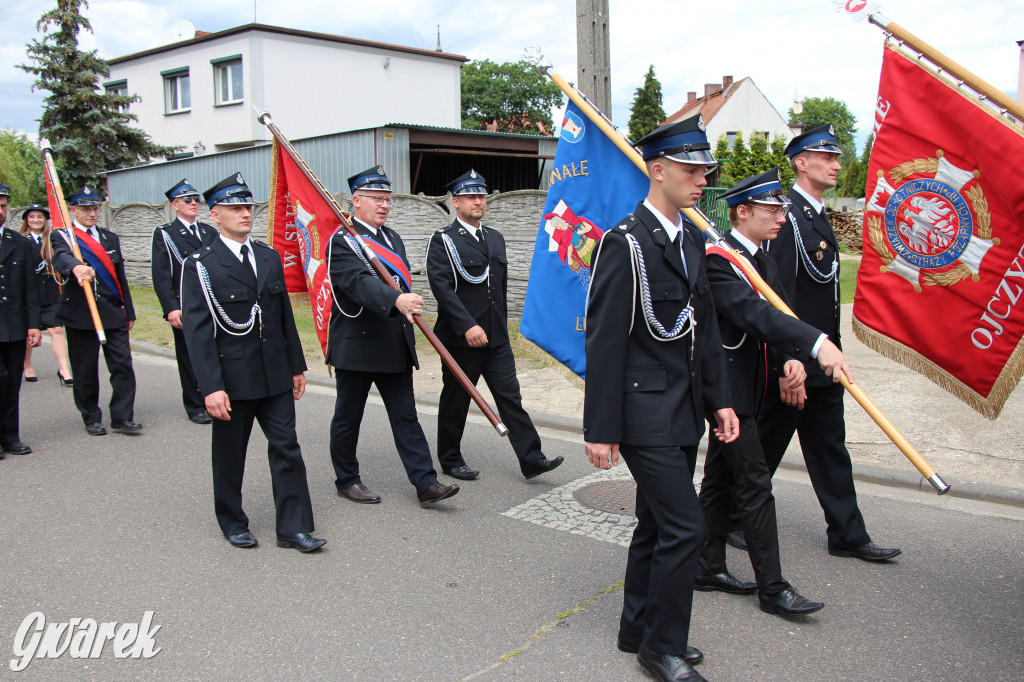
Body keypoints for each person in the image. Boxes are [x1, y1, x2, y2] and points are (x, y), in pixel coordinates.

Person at [584, 117, 738, 682]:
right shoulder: (624, 243)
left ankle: (636, 628)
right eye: (691, 170)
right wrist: (600, 428)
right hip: (642, 410)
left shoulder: (692, 239)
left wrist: (719, 399)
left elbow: (707, 328)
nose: (701, 179)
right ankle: (663, 648)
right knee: (685, 527)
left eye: (704, 171)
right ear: (658, 170)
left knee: (655, 522)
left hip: (685, 409)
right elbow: (603, 343)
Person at [698, 168, 856, 617]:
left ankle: (706, 564)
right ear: (741, 212)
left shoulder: (761, 258)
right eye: (772, 209)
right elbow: (752, 314)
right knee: (754, 482)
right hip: (727, 393)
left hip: (753, 385)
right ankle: (773, 588)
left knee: (719, 479)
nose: (781, 217)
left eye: (782, 208)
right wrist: (816, 342)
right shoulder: (720, 258)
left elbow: (779, 309)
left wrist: (792, 357)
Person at [758, 124, 901, 562]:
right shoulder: (788, 217)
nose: (837, 164)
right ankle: (723, 521)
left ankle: (847, 533)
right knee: (759, 451)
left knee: (829, 448)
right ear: (802, 162)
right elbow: (778, 298)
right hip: (797, 364)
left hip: (822, 360)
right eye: (828, 157)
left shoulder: (814, 214)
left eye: (837, 157)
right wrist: (789, 363)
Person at [180, 172, 324, 552]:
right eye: (235, 207)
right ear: (215, 214)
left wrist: (296, 365)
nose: (246, 213)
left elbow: (282, 318)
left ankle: (293, 527)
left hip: (274, 371)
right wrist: (210, 387)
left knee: (287, 448)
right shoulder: (201, 265)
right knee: (230, 455)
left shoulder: (267, 256)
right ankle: (232, 520)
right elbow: (197, 334)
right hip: (232, 377)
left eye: (248, 206)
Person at [326, 166, 459, 507]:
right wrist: (396, 299)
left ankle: (426, 483)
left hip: (393, 343)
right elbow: (358, 283)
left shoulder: (392, 238)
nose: (384, 205)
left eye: (387, 200)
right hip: (358, 345)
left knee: (406, 416)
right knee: (348, 417)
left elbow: (396, 280)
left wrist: (404, 302)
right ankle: (346, 478)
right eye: (376, 199)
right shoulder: (342, 240)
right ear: (356, 201)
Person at [425, 169, 563, 481]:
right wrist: (467, 326)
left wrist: (499, 327)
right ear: (455, 201)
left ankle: (532, 458)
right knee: (457, 398)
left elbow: (497, 291)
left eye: (481, 196)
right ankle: (450, 458)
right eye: (471, 197)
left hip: (496, 338)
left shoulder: (495, 238)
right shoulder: (443, 240)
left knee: (510, 397)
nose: (478, 202)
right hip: (462, 339)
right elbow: (442, 288)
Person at [50, 186, 140, 437]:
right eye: (85, 209)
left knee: (122, 364)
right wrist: (76, 266)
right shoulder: (64, 236)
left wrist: (128, 311)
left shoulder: (109, 237)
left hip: (112, 311)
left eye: (95, 208)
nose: (91, 213)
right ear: (73, 210)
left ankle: (122, 416)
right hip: (81, 314)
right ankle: (91, 415)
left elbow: (120, 277)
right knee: (85, 368)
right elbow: (60, 257)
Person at [151, 178, 217, 424]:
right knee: (190, 355)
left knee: (215, 350)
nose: (193, 203)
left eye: (196, 199)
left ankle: (215, 396)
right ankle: (195, 404)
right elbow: (161, 275)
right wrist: (171, 308)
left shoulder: (208, 232)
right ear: (175, 204)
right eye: (187, 200)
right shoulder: (165, 234)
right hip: (185, 304)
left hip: (212, 304)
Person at [0, 183, 41, 456]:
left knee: (12, 380)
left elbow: (30, 288)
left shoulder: (20, 243)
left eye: (3, 205)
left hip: (14, 323)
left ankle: (10, 435)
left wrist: (34, 324)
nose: (0, 210)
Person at [19, 204, 73, 387]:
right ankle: (27, 365)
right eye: (32, 217)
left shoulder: (52, 240)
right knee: (29, 333)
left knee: (56, 329)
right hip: (28, 295)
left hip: (50, 293)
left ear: (45, 220)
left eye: (40, 217)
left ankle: (64, 369)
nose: (36, 220)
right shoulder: (20, 240)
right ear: (26, 220)